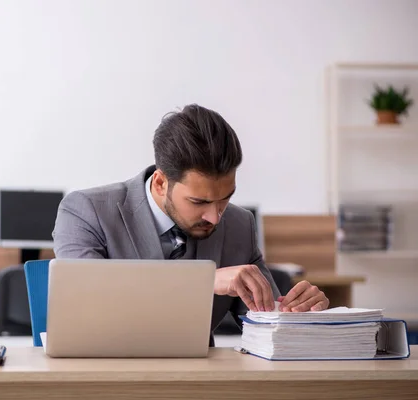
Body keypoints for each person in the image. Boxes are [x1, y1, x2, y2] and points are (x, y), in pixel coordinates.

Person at [52, 104, 329, 344]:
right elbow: (90, 306)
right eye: (199, 202)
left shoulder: (240, 225)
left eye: (225, 198)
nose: (215, 216)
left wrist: (298, 316)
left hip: (200, 385)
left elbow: (268, 328)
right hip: (107, 382)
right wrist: (203, 280)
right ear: (161, 183)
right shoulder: (86, 211)